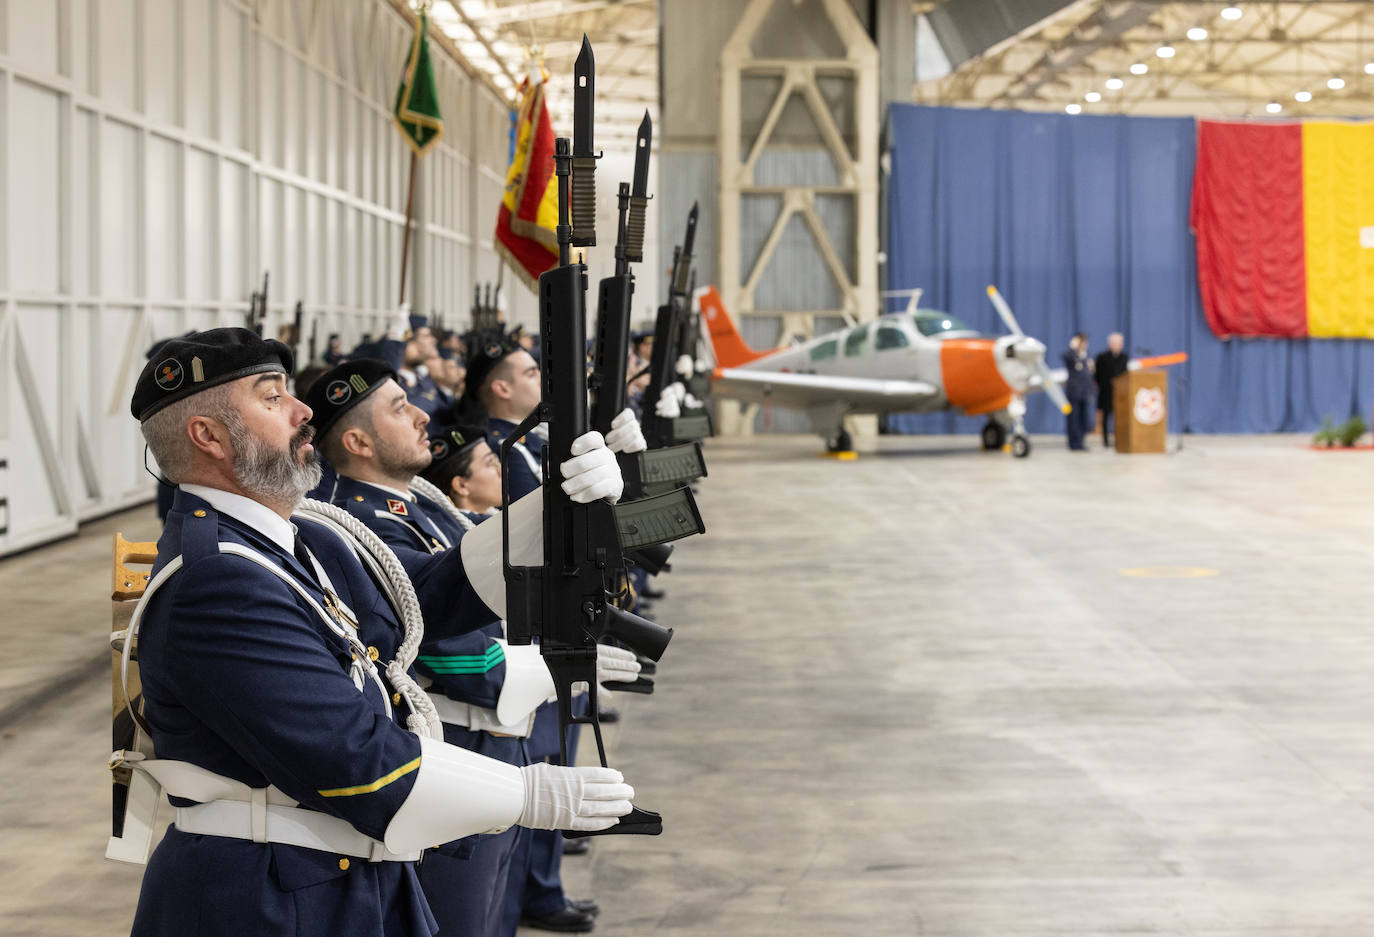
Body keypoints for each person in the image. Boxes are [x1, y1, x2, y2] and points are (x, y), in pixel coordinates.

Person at [124, 328, 638, 937]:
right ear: (207, 436)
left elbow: (425, 603)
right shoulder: (219, 580)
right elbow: (354, 757)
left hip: (329, 876)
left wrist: (557, 510)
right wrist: (525, 794)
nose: (302, 410)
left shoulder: (291, 539)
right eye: (270, 398)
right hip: (268, 897)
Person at [304, 359, 638, 937]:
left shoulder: (422, 505)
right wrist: (543, 668)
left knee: (497, 911)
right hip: (459, 736)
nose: (421, 414)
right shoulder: (348, 525)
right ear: (357, 441)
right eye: (398, 408)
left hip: (496, 733)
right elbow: (431, 636)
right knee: (463, 915)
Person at [458, 338, 647, 935]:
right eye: (529, 372)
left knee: (554, 756)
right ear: (500, 387)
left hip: (547, 624)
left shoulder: (527, 444)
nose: (541, 380)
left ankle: (540, 888)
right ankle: (538, 892)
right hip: (522, 632)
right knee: (538, 766)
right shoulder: (504, 453)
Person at [1094, 332, 1129, 448]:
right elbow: (1097, 375)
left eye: (1119, 343)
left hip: (1121, 393)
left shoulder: (1124, 357)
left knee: (1119, 417)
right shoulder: (1102, 357)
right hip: (1106, 391)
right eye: (1114, 343)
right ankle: (1105, 440)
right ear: (1110, 344)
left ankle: (1120, 439)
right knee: (1105, 416)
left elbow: (1126, 374)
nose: (1117, 346)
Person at [1061, 332, 1094, 451]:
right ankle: (1073, 443)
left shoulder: (1085, 356)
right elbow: (1064, 356)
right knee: (1073, 419)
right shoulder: (1071, 355)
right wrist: (1072, 348)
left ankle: (1080, 442)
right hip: (1073, 393)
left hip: (1084, 393)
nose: (1084, 344)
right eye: (1081, 342)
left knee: (1083, 420)